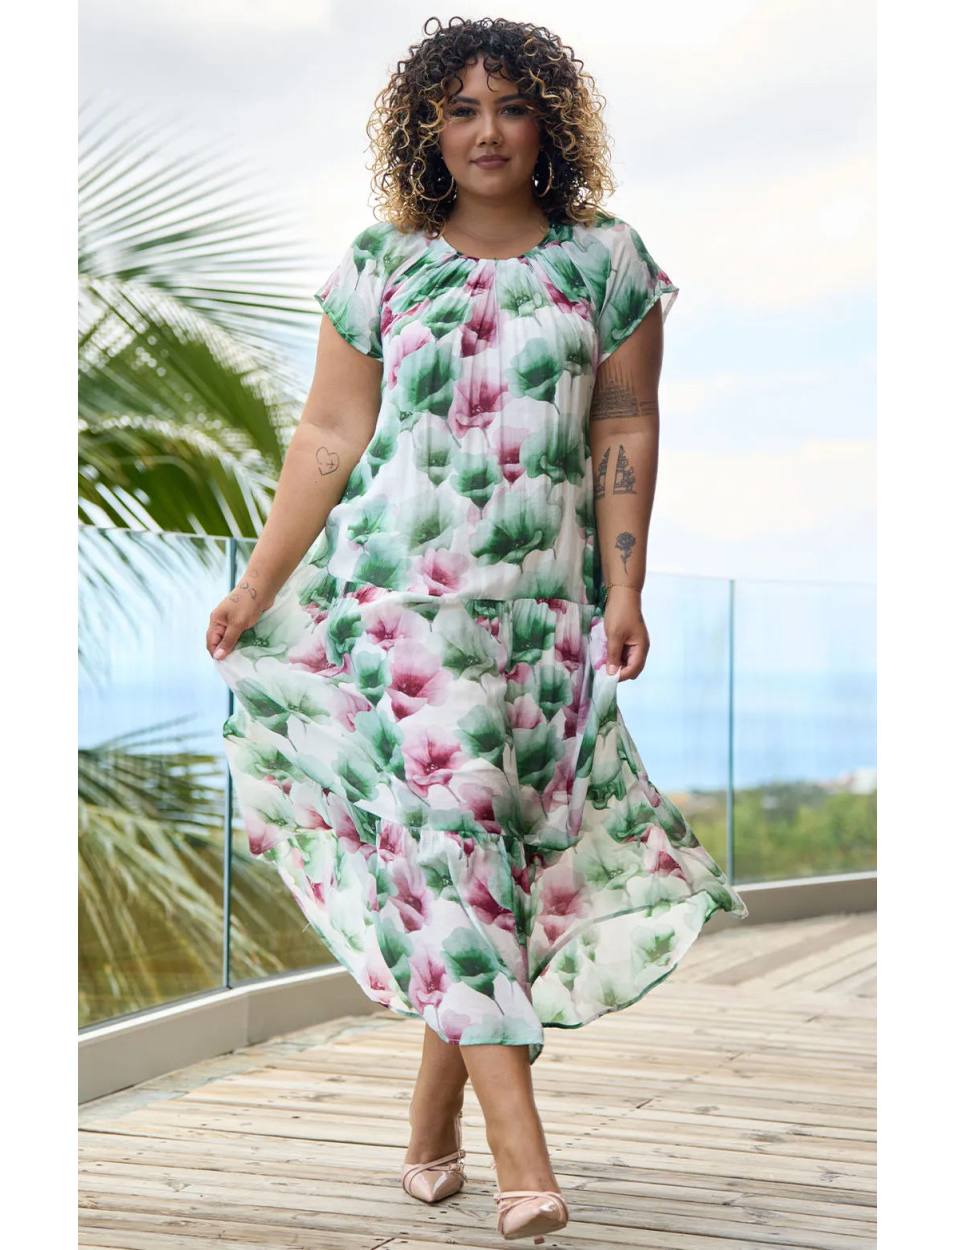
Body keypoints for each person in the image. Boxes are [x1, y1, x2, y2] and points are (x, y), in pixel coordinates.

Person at [206, 16, 748, 1244]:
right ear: (426, 129)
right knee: (452, 844)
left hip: (545, 615)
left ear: (550, 121)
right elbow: (329, 435)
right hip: (393, 607)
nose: (486, 130)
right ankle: (522, 1157)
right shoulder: (382, 263)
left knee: (497, 863)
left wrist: (623, 590)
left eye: (510, 105)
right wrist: (257, 582)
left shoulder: (607, 260)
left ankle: (428, 1121)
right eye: (459, 109)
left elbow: (623, 425)